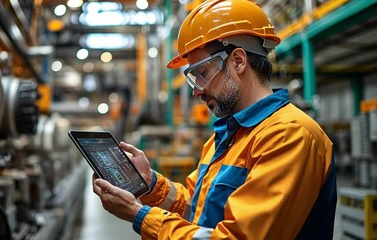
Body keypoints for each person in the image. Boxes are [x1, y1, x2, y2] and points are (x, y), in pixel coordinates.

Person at [92, 0, 337, 239]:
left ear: (238, 61)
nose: (197, 91)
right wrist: (150, 185)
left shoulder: (290, 135)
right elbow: (197, 210)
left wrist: (139, 215)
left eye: (202, 73)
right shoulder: (226, 137)